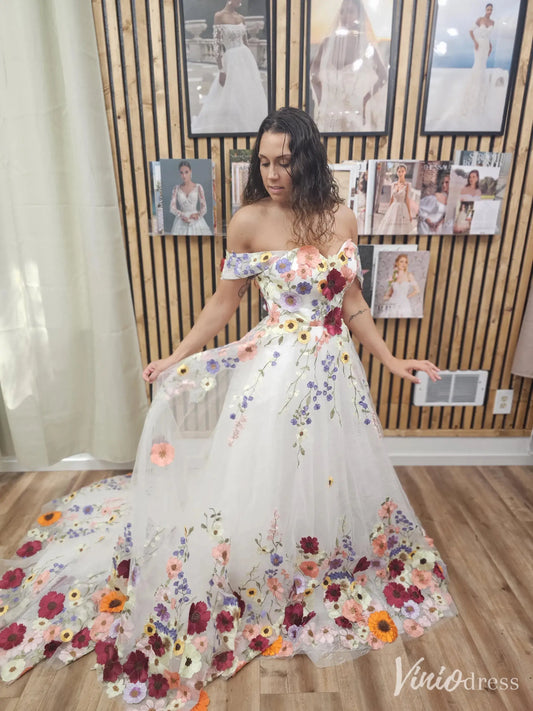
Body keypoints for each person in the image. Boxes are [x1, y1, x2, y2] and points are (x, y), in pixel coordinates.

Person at [0, 108, 456, 709]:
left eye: (284, 162)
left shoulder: (342, 217)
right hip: (274, 372)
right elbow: (223, 305)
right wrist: (176, 355)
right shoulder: (248, 222)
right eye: (264, 162)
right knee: (265, 474)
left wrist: (392, 360)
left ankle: (315, 555)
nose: (272, 174)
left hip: (336, 374)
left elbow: (352, 303)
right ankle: (262, 563)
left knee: (324, 472)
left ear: (309, 159)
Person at [310, 0, 387, 133]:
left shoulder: (367, 46)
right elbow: (313, 75)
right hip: (329, 115)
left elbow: (383, 76)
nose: (345, 16)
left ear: (358, 15)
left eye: (351, 11)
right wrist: (321, 100)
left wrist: (365, 99)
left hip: (355, 114)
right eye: (342, 11)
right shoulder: (327, 44)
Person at [191, 0, 268, 134]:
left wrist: (251, 63)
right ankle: (233, 124)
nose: (240, 2)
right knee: (231, 92)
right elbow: (217, 45)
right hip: (231, 60)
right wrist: (221, 70)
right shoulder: (219, 16)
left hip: (245, 59)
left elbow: (245, 42)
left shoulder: (241, 18)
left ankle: (250, 121)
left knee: (248, 90)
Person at [461, 4, 495, 116]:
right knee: (477, 66)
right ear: (485, 9)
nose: (489, 11)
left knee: (483, 67)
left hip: (486, 46)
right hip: (479, 44)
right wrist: (475, 42)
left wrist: (490, 46)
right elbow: (470, 31)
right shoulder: (480, 19)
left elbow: (488, 36)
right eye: (488, 9)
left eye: (491, 9)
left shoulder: (492, 22)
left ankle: (480, 97)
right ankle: (470, 97)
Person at [169, 161, 212, 235]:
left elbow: (204, 208)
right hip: (181, 221)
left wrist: (198, 215)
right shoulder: (176, 189)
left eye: (186, 172)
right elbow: (172, 208)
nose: (184, 175)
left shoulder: (198, 187)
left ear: (191, 171)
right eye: (181, 173)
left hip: (196, 220)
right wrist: (181, 215)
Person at [380, 254, 420, 318]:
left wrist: (406, 297)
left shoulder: (409, 275)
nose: (404, 264)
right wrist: (387, 298)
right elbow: (389, 293)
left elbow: (417, 290)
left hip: (404, 304)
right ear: (396, 263)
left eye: (406, 262)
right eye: (401, 261)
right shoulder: (393, 277)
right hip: (393, 303)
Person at [377, 164, 413, 234]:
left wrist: (409, 214)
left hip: (402, 208)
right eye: (399, 171)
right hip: (393, 207)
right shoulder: (393, 184)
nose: (400, 173)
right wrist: (388, 211)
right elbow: (392, 198)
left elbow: (407, 200)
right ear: (397, 173)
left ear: (405, 172)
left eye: (402, 171)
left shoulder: (407, 185)